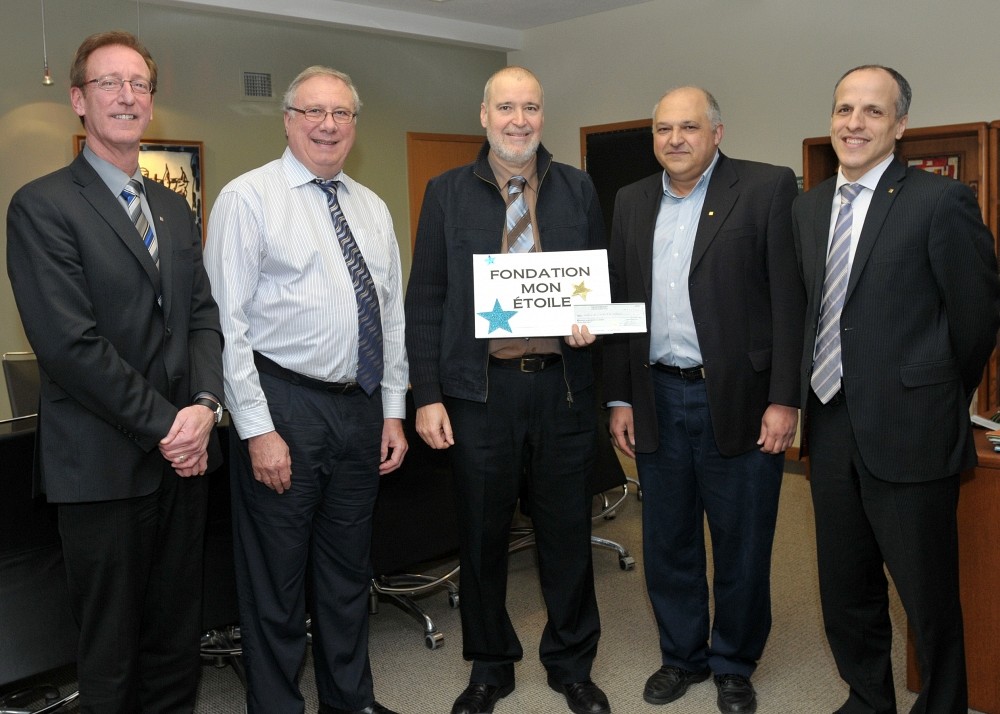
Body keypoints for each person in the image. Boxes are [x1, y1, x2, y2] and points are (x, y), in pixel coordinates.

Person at [5, 30, 224, 714]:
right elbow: (71, 347)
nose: (128, 96)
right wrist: (171, 426)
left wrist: (208, 405)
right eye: (110, 83)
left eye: (139, 85)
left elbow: (202, 317)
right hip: (101, 468)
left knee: (174, 642)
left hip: (182, 467)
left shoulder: (171, 206)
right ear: (78, 99)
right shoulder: (43, 207)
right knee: (109, 655)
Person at [792, 65, 1000, 714]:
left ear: (900, 125)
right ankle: (867, 698)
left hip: (912, 426)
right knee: (845, 586)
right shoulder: (807, 206)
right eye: (844, 109)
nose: (854, 124)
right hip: (828, 425)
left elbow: (976, 319)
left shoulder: (941, 202)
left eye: (872, 112)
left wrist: (935, 392)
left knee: (926, 594)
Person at [405, 66, 610, 714]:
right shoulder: (445, 193)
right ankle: (490, 667)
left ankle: (572, 664)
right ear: (484, 115)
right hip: (479, 393)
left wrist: (591, 325)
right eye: (506, 107)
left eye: (530, 108)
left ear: (541, 116)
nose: (518, 119)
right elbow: (427, 300)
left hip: (562, 389)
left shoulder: (577, 189)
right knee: (482, 536)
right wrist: (427, 394)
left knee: (566, 536)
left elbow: (596, 289)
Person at [204, 66, 408, 714]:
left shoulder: (372, 209)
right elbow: (226, 326)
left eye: (341, 114)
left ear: (354, 125)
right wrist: (257, 428)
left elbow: (392, 317)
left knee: (348, 575)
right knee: (277, 583)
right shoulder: (248, 199)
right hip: (283, 403)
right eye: (314, 112)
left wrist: (394, 411)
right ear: (288, 119)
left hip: (360, 406)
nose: (328, 124)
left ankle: (351, 701)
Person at [603, 87, 804, 714]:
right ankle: (682, 656)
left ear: (717, 132)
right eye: (663, 129)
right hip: (656, 393)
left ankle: (734, 663)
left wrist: (784, 399)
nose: (675, 139)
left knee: (742, 540)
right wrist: (619, 397)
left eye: (689, 127)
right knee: (667, 539)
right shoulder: (631, 200)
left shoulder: (768, 187)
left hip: (740, 398)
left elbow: (790, 301)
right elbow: (618, 304)